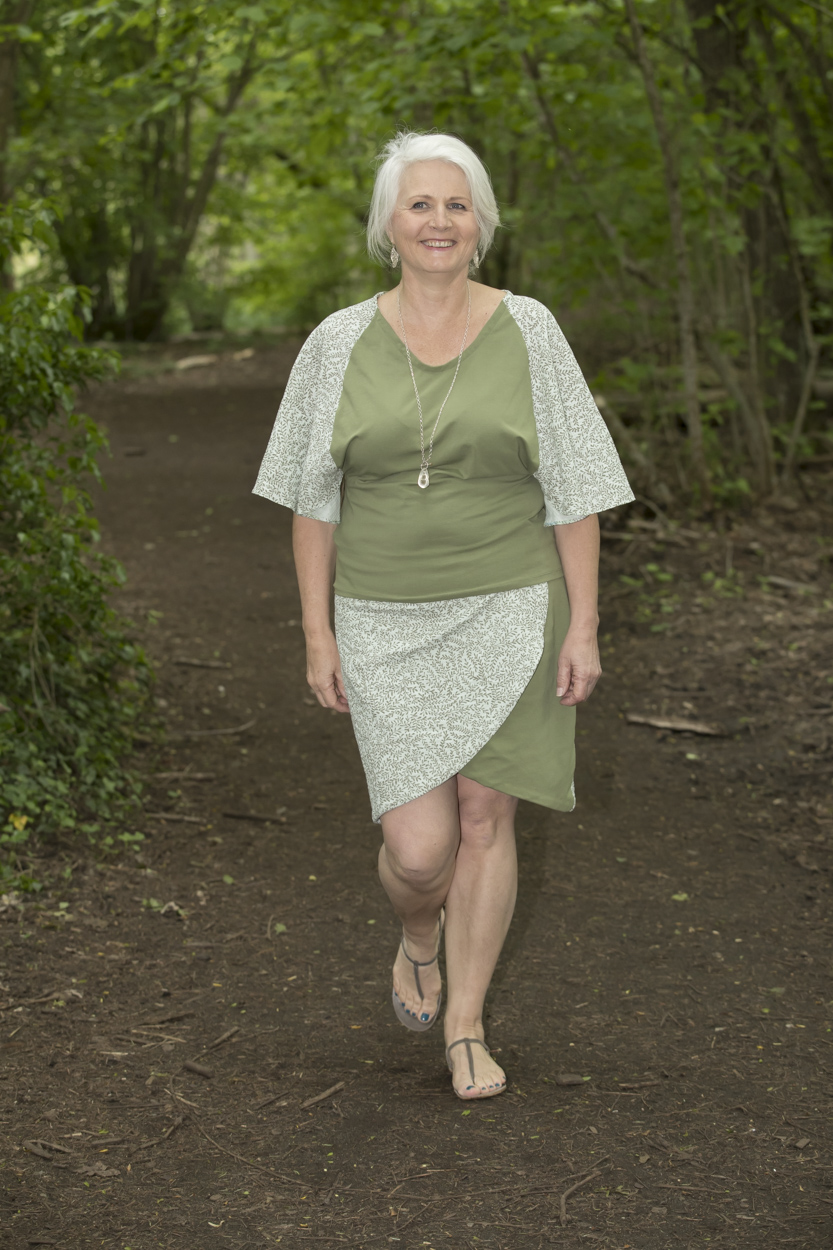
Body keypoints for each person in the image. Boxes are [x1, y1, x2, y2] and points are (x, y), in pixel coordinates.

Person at [254, 131, 633, 1100]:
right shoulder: (335, 342)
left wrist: (583, 624)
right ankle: (417, 931)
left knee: (484, 817)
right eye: (418, 204)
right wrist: (316, 633)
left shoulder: (530, 328)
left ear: (481, 224)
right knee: (418, 852)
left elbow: (576, 489)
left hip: (513, 603)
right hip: (381, 616)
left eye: (456, 205)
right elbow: (311, 501)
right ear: (388, 224)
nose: (438, 221)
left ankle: (466, 1024)